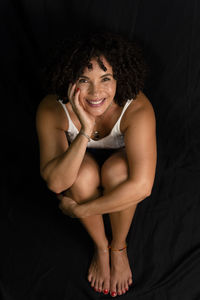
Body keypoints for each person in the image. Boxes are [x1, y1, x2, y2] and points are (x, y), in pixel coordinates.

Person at [36, 32, 157, 297]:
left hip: (119, 163)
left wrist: (79, 210)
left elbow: (142, 187)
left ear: (118, 78)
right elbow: (57, 182)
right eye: (83, 80)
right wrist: (84, 130)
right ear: (70, 81)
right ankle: (101, 246)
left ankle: (118, 246)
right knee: (81, 177)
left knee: (119, 172)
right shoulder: (52, 109)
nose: (95, 93)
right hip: (79, 164)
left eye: (105, 79)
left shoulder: (136, 108)